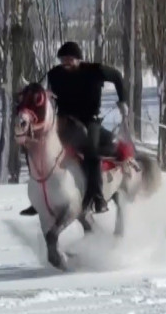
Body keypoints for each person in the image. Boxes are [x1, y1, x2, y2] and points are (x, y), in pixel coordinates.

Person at [20, 41, 128, 216]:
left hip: (89, 121)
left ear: (79, 59)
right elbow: (39, 91)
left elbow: (117, 76)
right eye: (63, 59)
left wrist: (123, 100)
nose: (66, 63)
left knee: (91, 152)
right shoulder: (55, 74)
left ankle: (97, 196)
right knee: (40, 149)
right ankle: (38, 199)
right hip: (64, 121)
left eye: (70, 59)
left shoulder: (94, 70)